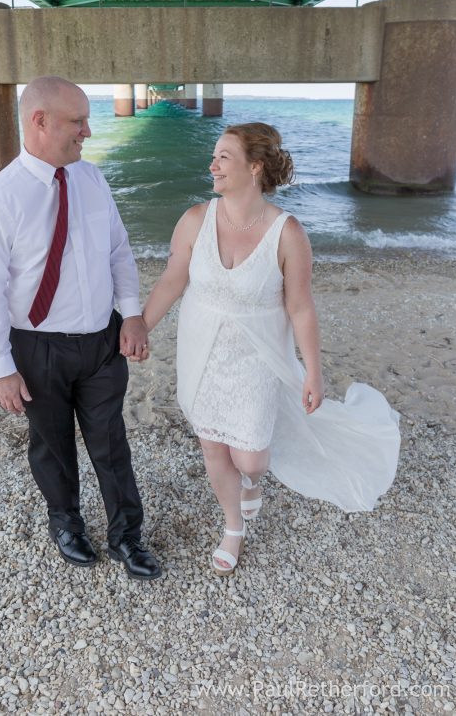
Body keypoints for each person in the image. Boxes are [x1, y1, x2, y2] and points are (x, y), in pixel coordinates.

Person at [142, 122, 400, 576]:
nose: (212, 165)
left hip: (257, 357)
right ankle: (233, 528)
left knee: (252, 458)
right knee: (213, 447)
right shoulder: (195, 220)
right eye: (214, 156)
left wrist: (313, 372)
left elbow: (300, 308)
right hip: (201, 350)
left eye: (224, 157)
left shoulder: (288, 233)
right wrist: (140, 327)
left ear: (255, 167)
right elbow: (171, 281)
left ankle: (250, 482)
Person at [0, 76, 161, 580]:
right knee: (51, 444)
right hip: (36, 348)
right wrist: (1, 367)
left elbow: (118, 251)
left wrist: (132, 313)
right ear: (40, 121)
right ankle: (66, 523)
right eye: (77, 121)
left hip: (101, 342)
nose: (87, 132)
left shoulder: (92, 180)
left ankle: (127, 536)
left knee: (110, 443)